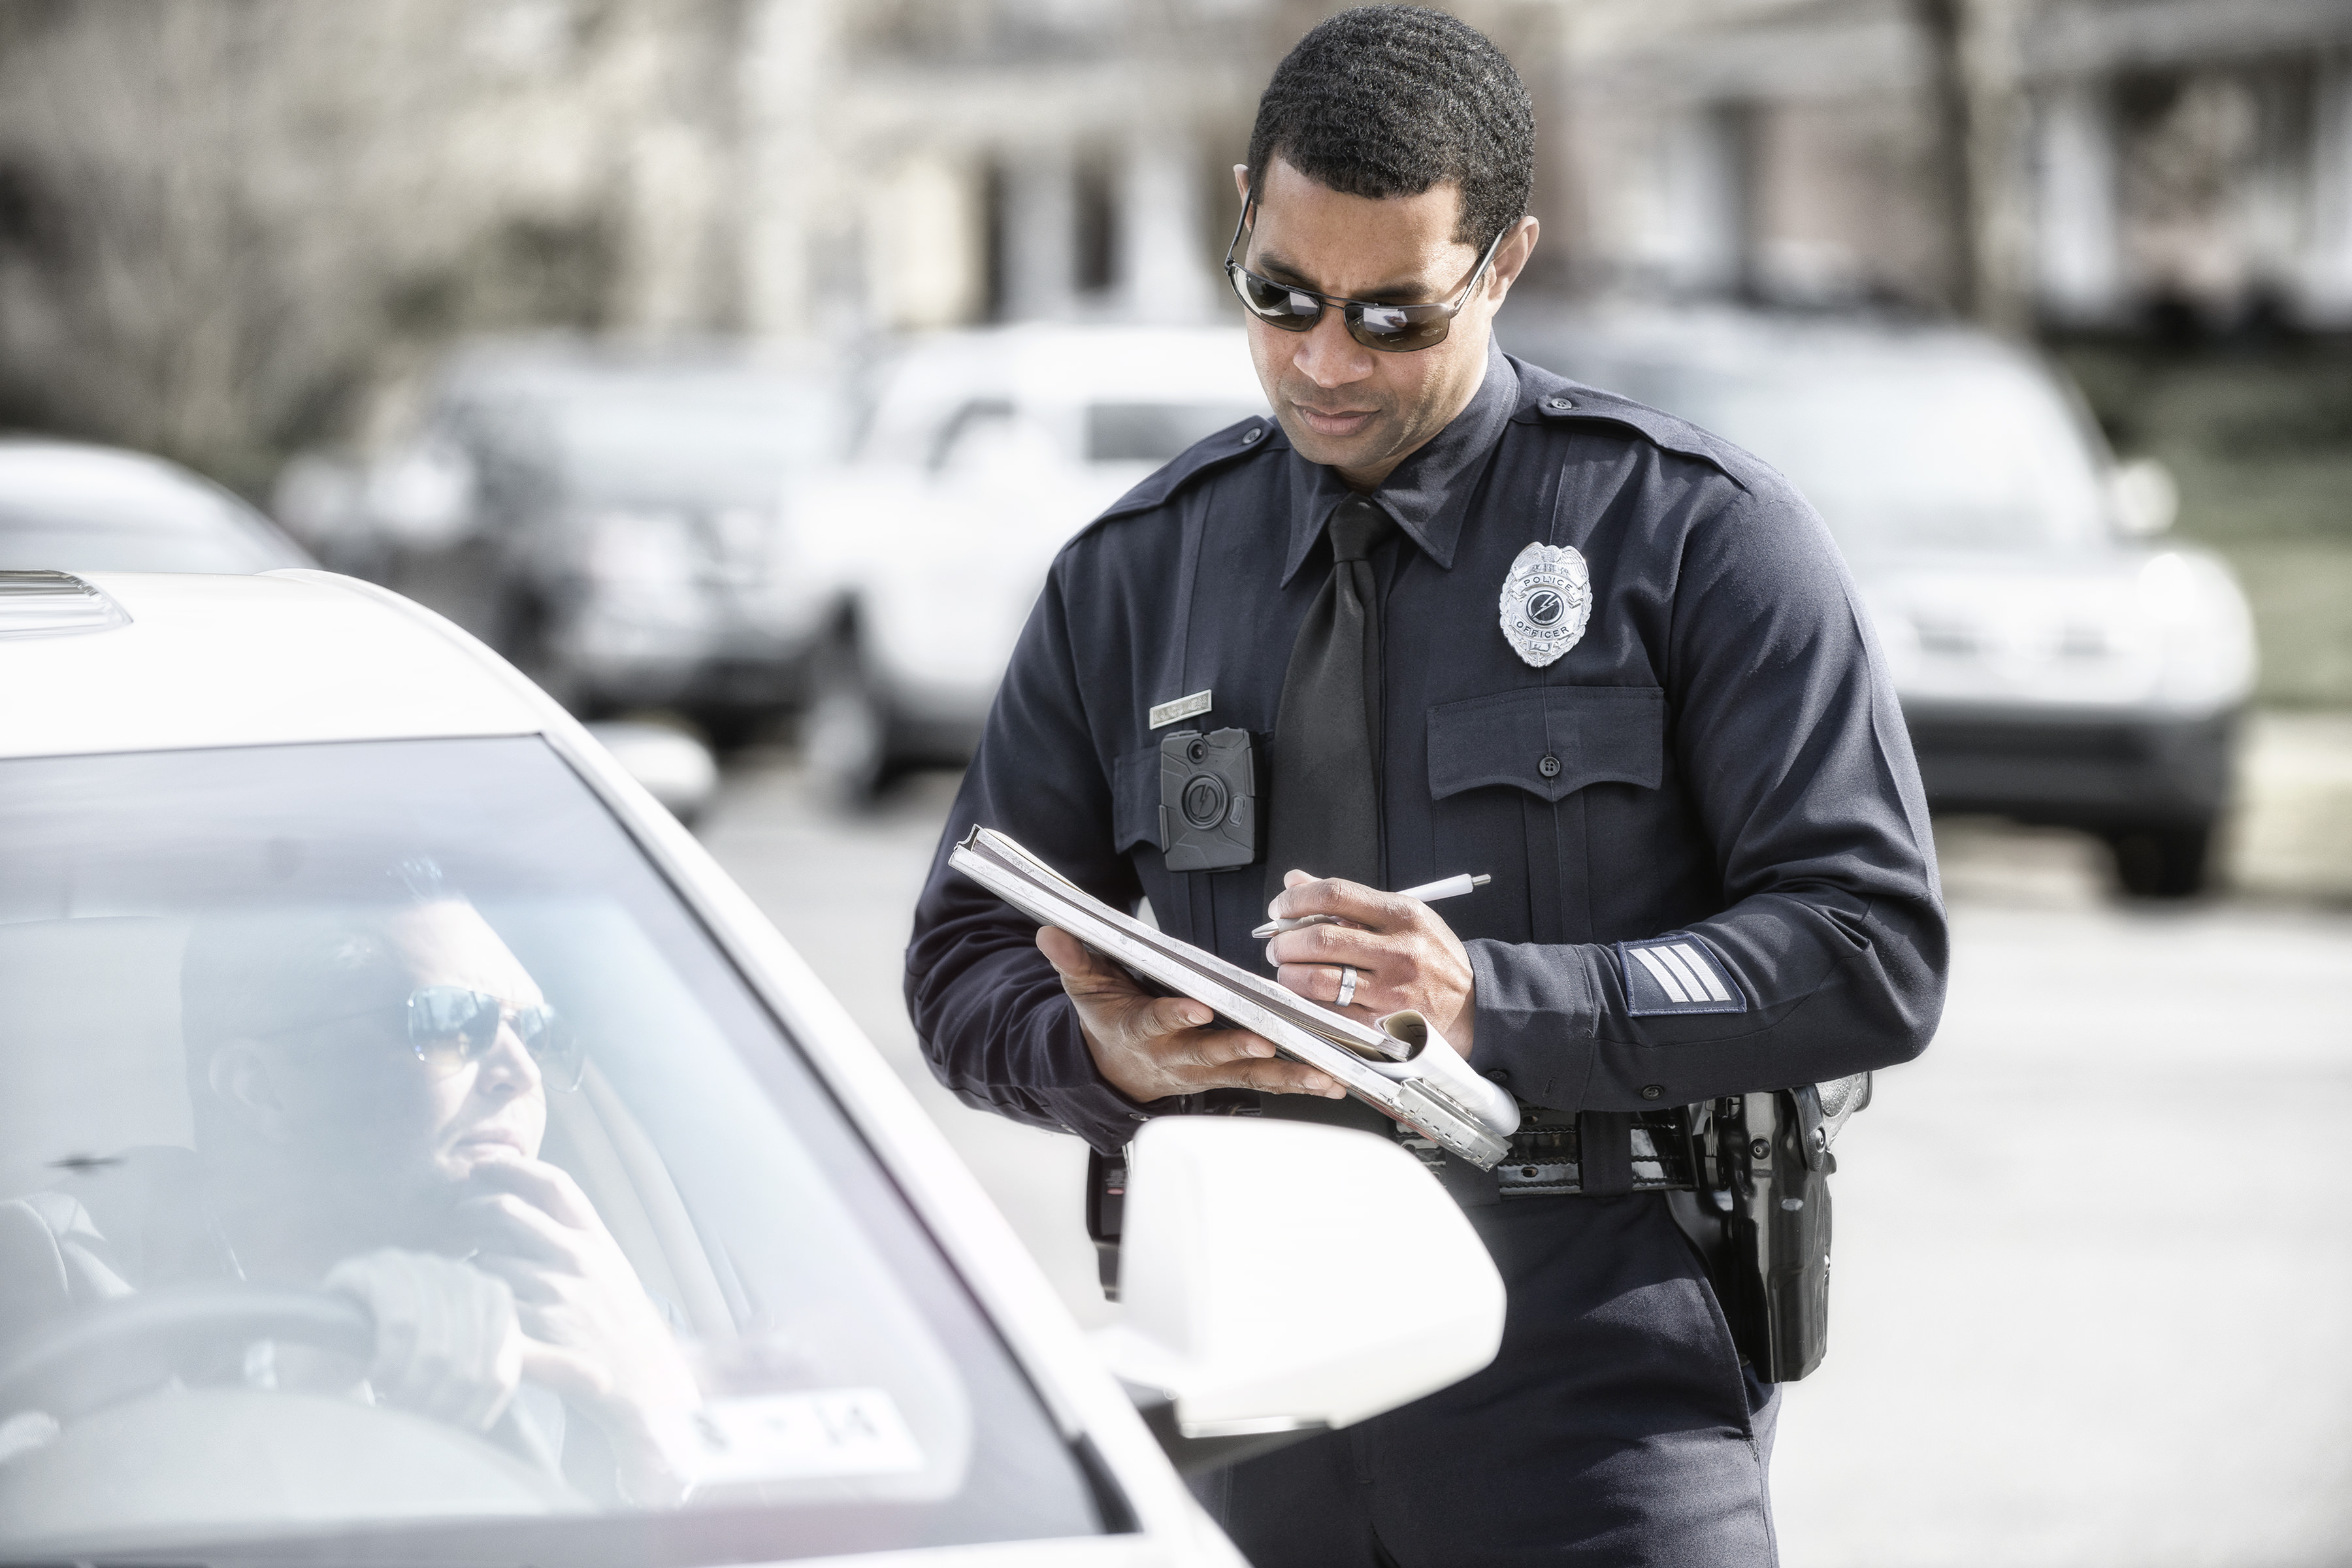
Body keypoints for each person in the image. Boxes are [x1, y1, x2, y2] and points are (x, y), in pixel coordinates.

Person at [906, 7, 1948, 1564]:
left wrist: (1490, 999)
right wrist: (1105, 1049)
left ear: (1505, 260)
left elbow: (1869, 943)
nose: (1324, 360)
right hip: (1242, 1374)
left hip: (1594, 1375)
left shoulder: (1688, 539)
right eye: (1280, 297)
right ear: (1239, 210)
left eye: (1391, 314)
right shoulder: (1134, 576)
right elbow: (958, 961)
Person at [0, 892, 698, 1501]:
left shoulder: (607, 1325)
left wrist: (659, 1446)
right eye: (452, 1024)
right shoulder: (50, 1282)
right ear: (261, 1089)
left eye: (538, 1032)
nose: (520, 1072)